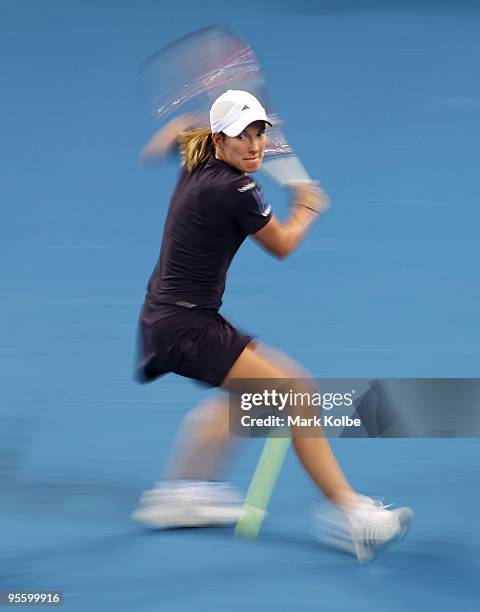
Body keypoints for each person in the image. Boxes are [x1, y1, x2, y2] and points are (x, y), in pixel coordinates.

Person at [131, 90, 413, 562]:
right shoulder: (234, 189)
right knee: (293, 392)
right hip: (186, 327)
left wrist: (185, 126)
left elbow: (170, 138)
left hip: (173, 315)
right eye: (243, 136)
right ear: (220, 140)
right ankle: (352, 518)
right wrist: (305, 207)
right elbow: (281, 244)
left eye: (260, 132)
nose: (255, 145)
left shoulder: (200, 152)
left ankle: (179, 494)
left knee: (253, 392)